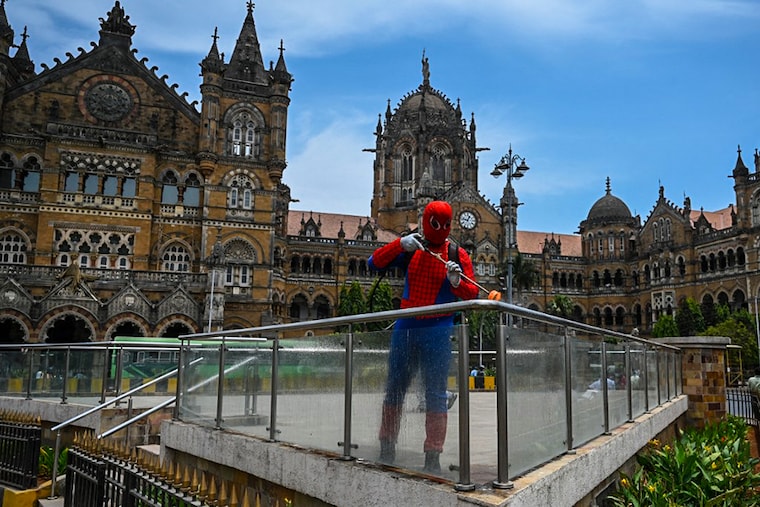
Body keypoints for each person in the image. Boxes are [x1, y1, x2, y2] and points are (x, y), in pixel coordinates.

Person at [369, 200, 479, 473]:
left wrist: (456, 281)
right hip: (406, 327)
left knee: (435, 394)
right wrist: (400, 244)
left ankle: (433, 455)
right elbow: (373, 263)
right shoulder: (413, 246)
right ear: (425, 221)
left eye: (446, 225)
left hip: (438, 330)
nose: (441, 229)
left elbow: (472, 293)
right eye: (435, 224)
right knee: (395, 388)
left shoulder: (456, 253)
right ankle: (387, 446)